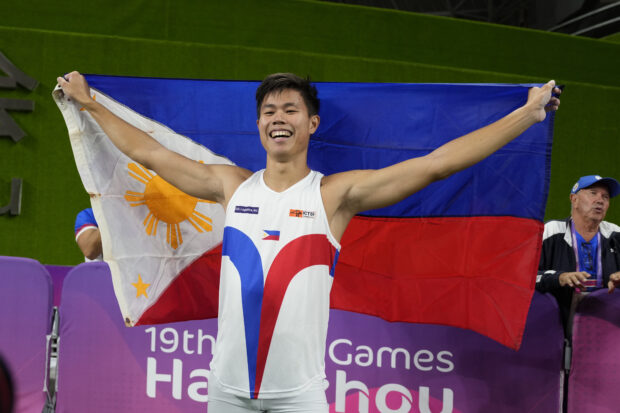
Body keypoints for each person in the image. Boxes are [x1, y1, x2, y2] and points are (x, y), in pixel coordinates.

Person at [57, 71, 560, 412]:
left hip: (299, 397)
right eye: (270, 110)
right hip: (225, 393)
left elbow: (435, 165)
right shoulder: (230, 185)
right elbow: (148, 152)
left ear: (311, 124)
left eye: (291, 109)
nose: (279, 117)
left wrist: (527, 114)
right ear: (258, 126)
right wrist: (89, 104)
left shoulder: (335, 195)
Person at [536, 175, 620, 332]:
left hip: (608, 325)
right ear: (574, 199)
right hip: (556, 324)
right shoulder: (550, 231)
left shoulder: (616, 234)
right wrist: (559, 277)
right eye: (593, 193)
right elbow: (523, 277)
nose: (600, 200)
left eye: (605, 197)